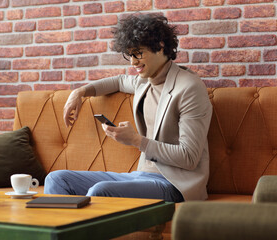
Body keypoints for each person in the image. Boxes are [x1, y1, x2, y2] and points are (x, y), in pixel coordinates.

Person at [43, 13, 212, 202]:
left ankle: (83, 230)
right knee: (57, 179)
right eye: (129, 54)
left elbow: (189, 157)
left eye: (138, 53)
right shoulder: (145, 81)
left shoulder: (189, 88)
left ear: (161, 46)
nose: (133, 62)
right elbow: (120, 81)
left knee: (101, 191)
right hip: (141, 177)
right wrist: (80, 92)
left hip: (174, 184)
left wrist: (136, 140)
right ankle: (64, 230)